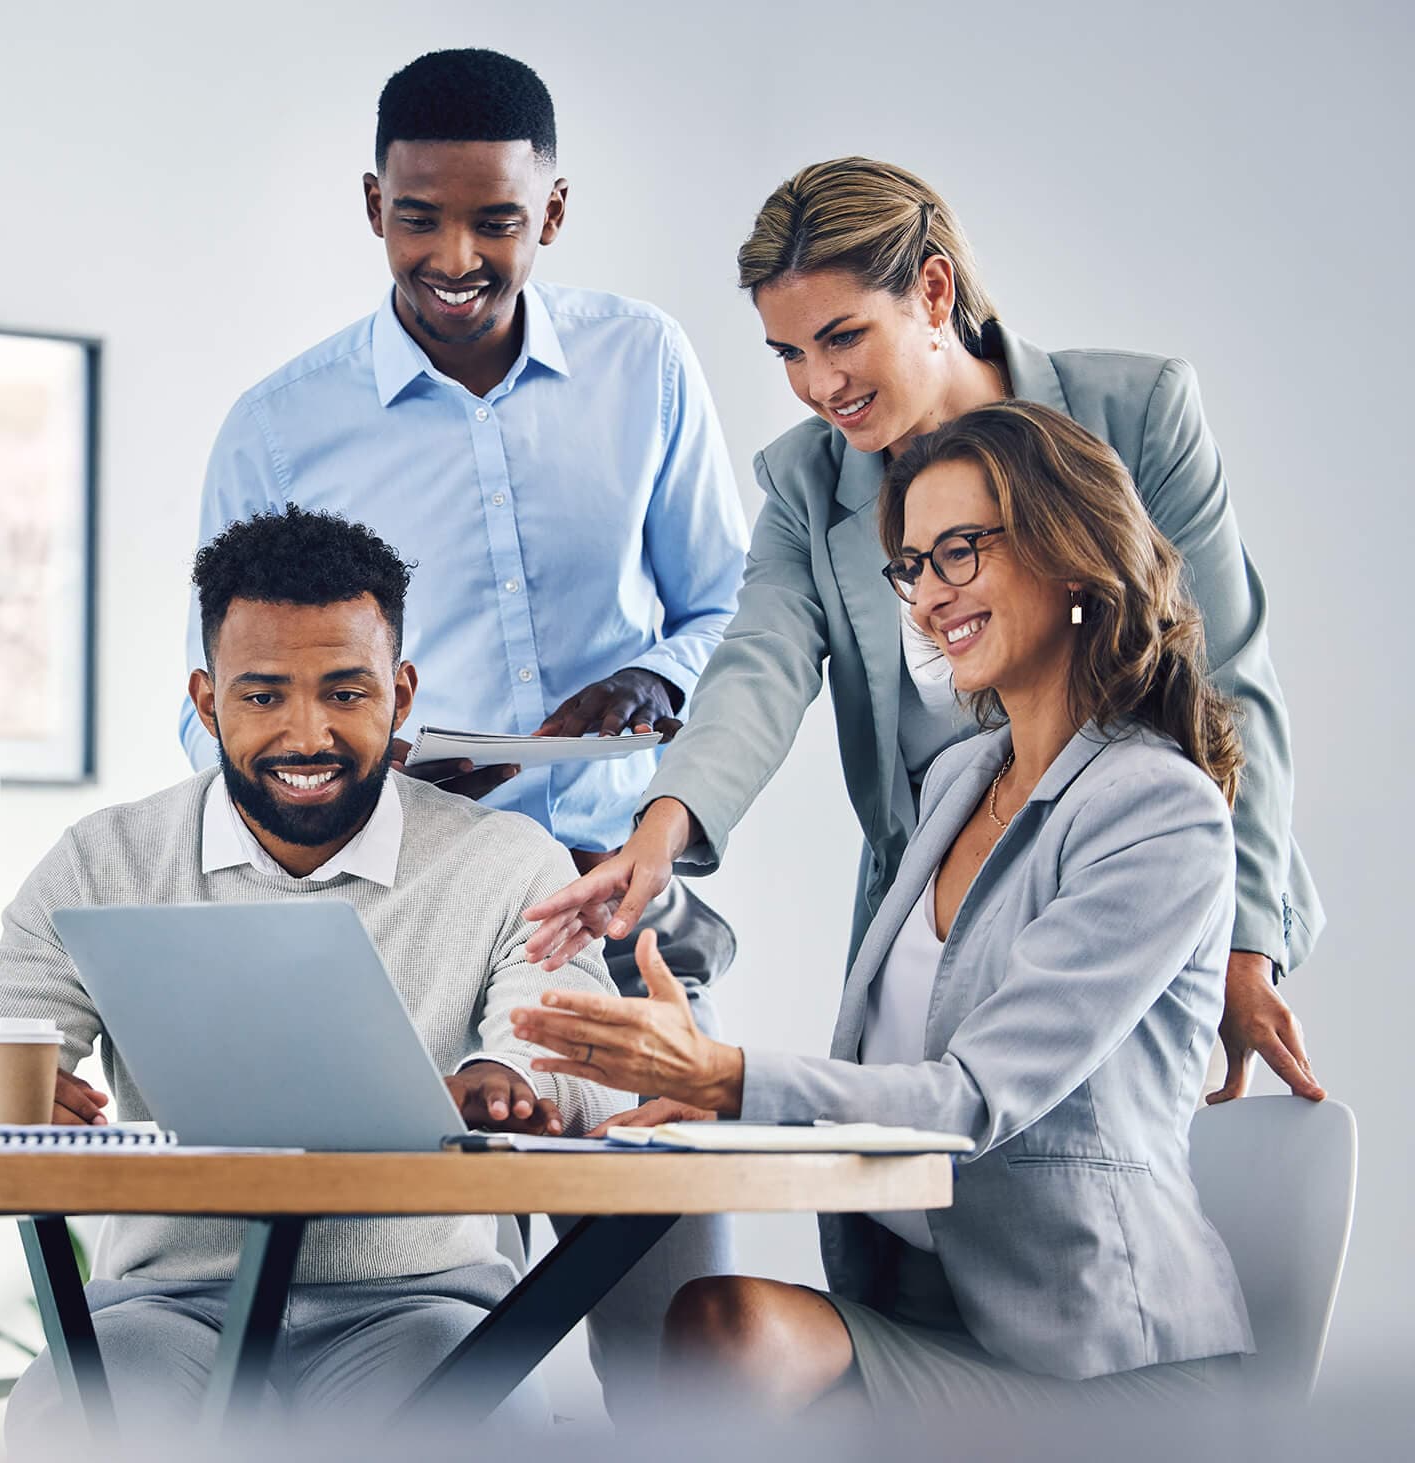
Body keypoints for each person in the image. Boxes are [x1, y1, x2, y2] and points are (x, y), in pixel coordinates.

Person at [178, 47, 751, 1413]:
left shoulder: (645, 365)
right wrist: (361, 763)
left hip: (623, 916)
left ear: (550, 213)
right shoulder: (280, 426)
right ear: (373, 203)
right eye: (421, 215)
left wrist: (651, 688)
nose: (457, 254)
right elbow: (214, 713)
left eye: (495, 219)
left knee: (682, 1342)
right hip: (405, 928)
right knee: (421, 1347)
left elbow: (736, 607)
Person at [525, 157, 1323, 1107]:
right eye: (787, 354)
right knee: (906, 1202)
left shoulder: (1135, 416)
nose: (820, 384)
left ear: (933, 290)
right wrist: (655, 837)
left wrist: (1244, 946)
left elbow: (1227, 677)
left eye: (842, 336)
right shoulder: (808, 482)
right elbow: (758, 666)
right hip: (935, 904)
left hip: (1128, 882)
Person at [512, 402, 1252, 1409]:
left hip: (1098, 1358)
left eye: (960, 551)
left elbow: (968, 1098)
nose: (929, 595)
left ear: (1072, 555)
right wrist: (706, 1097)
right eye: (911, 566)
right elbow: (882, 1075)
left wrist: (733, 1078)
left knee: (723, 1333)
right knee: (711, 1318)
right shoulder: (958, 780)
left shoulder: (1158, 810)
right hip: (912, 1308)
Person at [0, 505, 628, 1441]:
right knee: (83, 1418)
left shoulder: (506, 860)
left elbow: (581, 1060)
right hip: (168, 1313)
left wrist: (520, 1084)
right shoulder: (105, 857)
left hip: (417, 1308)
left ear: (401, 694)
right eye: (264, 694)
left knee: (477, 1424)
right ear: (207, 702)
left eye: (346, 693)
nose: (306, 734)